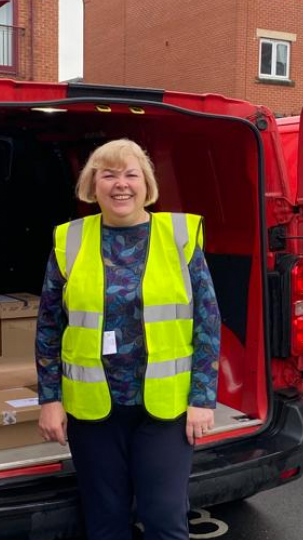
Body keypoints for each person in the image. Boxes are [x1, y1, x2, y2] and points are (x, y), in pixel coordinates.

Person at [35, 138, 221, 540]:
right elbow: (49, 324)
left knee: (164, 520)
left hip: (165, 410)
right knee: (105, 523)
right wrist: (50, 399)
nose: (121, 184)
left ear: (146, 184)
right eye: (109, 174)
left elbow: (207, 322)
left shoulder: (178, 236)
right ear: (92, 185)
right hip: (94, 411)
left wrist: (202, 400)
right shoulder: (69, 241)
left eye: (131, 174)